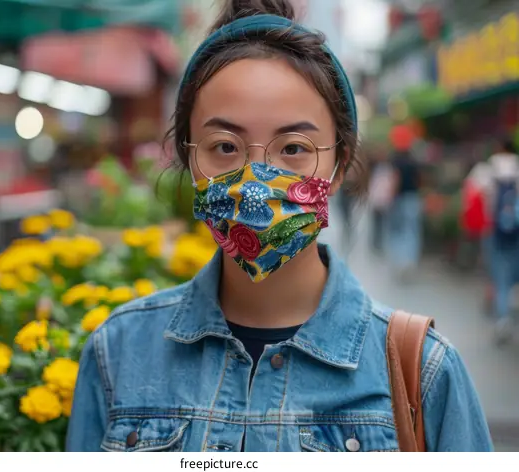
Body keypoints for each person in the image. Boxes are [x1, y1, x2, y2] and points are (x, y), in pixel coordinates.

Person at [67, 0, 492, 452]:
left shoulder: (421, 373)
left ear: (339, 164)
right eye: (224, 146)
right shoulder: (118, 352)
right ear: (190, 160)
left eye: (293, 147)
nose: (256, 179)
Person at [472, 139, 519, 342]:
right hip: (516, 231)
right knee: (513, 273)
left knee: (498, 275)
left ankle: (502, 318)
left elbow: (474, 192)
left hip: (493, 229)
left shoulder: (488, 168)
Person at [386, 144, 423, 279]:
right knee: (412, 231)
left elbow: (395, 180)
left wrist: (391, 197)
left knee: (397, 231)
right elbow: (420, 181)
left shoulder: (396, 162)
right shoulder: (414, 163)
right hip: (413, 198)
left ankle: (399, 261)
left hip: (399, 199)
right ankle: (410, 261)